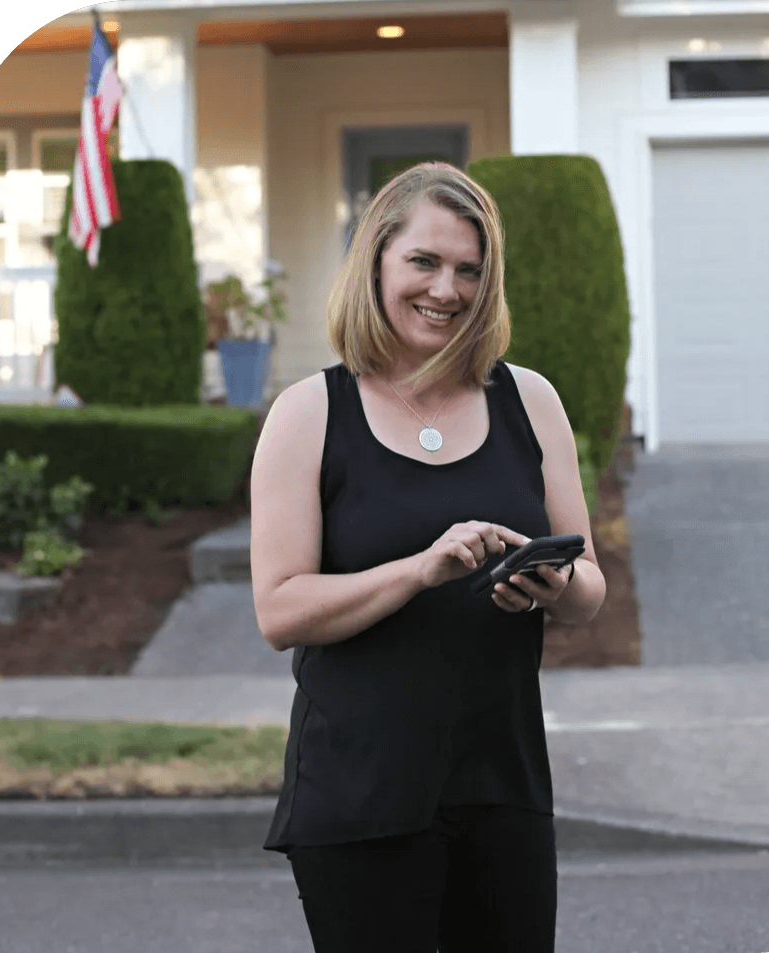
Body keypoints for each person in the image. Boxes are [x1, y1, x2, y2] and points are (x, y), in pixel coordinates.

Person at [249, 161, 607, 952]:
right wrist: (420, 569)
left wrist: (549, 583)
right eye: (424, 262)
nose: (446, 289)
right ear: (375, 258)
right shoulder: (311, 413)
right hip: (358, 794)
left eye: (469, 271)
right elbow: (278, 610)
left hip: (502, 783)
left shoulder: (529, 401)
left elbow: (588, 590)